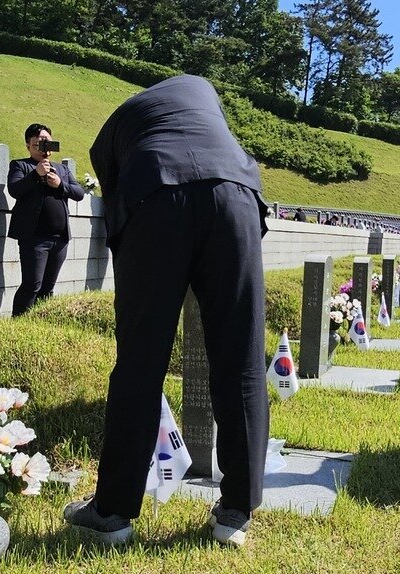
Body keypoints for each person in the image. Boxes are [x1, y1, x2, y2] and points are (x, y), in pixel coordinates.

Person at [63, 74, 269, 547]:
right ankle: (235, 512)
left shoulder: (118, 129)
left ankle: (113, 512)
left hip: (154, 195)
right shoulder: (204, 93)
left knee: (140, 361)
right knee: (241, 360)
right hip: (236, 194)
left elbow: (114, 190)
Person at [7, 123, 85, 317]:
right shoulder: (20, 165)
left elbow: (79, 193)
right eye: (38, 144)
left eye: (47, 142)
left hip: (60, 238)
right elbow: (14, 190)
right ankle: (19, 324)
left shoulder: (62, 170)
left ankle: (42, 322)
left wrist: (60, 185)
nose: (44, 147)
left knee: (48, 287)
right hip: (34, 238)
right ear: (28, 146)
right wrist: (36, 174)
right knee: (32, 284)